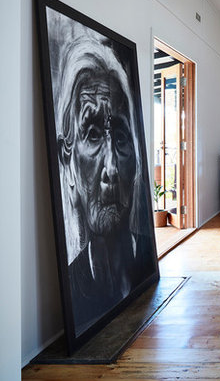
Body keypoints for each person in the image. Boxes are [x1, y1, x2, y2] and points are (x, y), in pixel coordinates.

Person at [54, 38, 155, 336]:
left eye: (121, 138)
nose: (111, 169)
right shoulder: (72, 290)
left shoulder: (148, 259)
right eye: (93, 134)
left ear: (137, 161)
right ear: (68, 159)